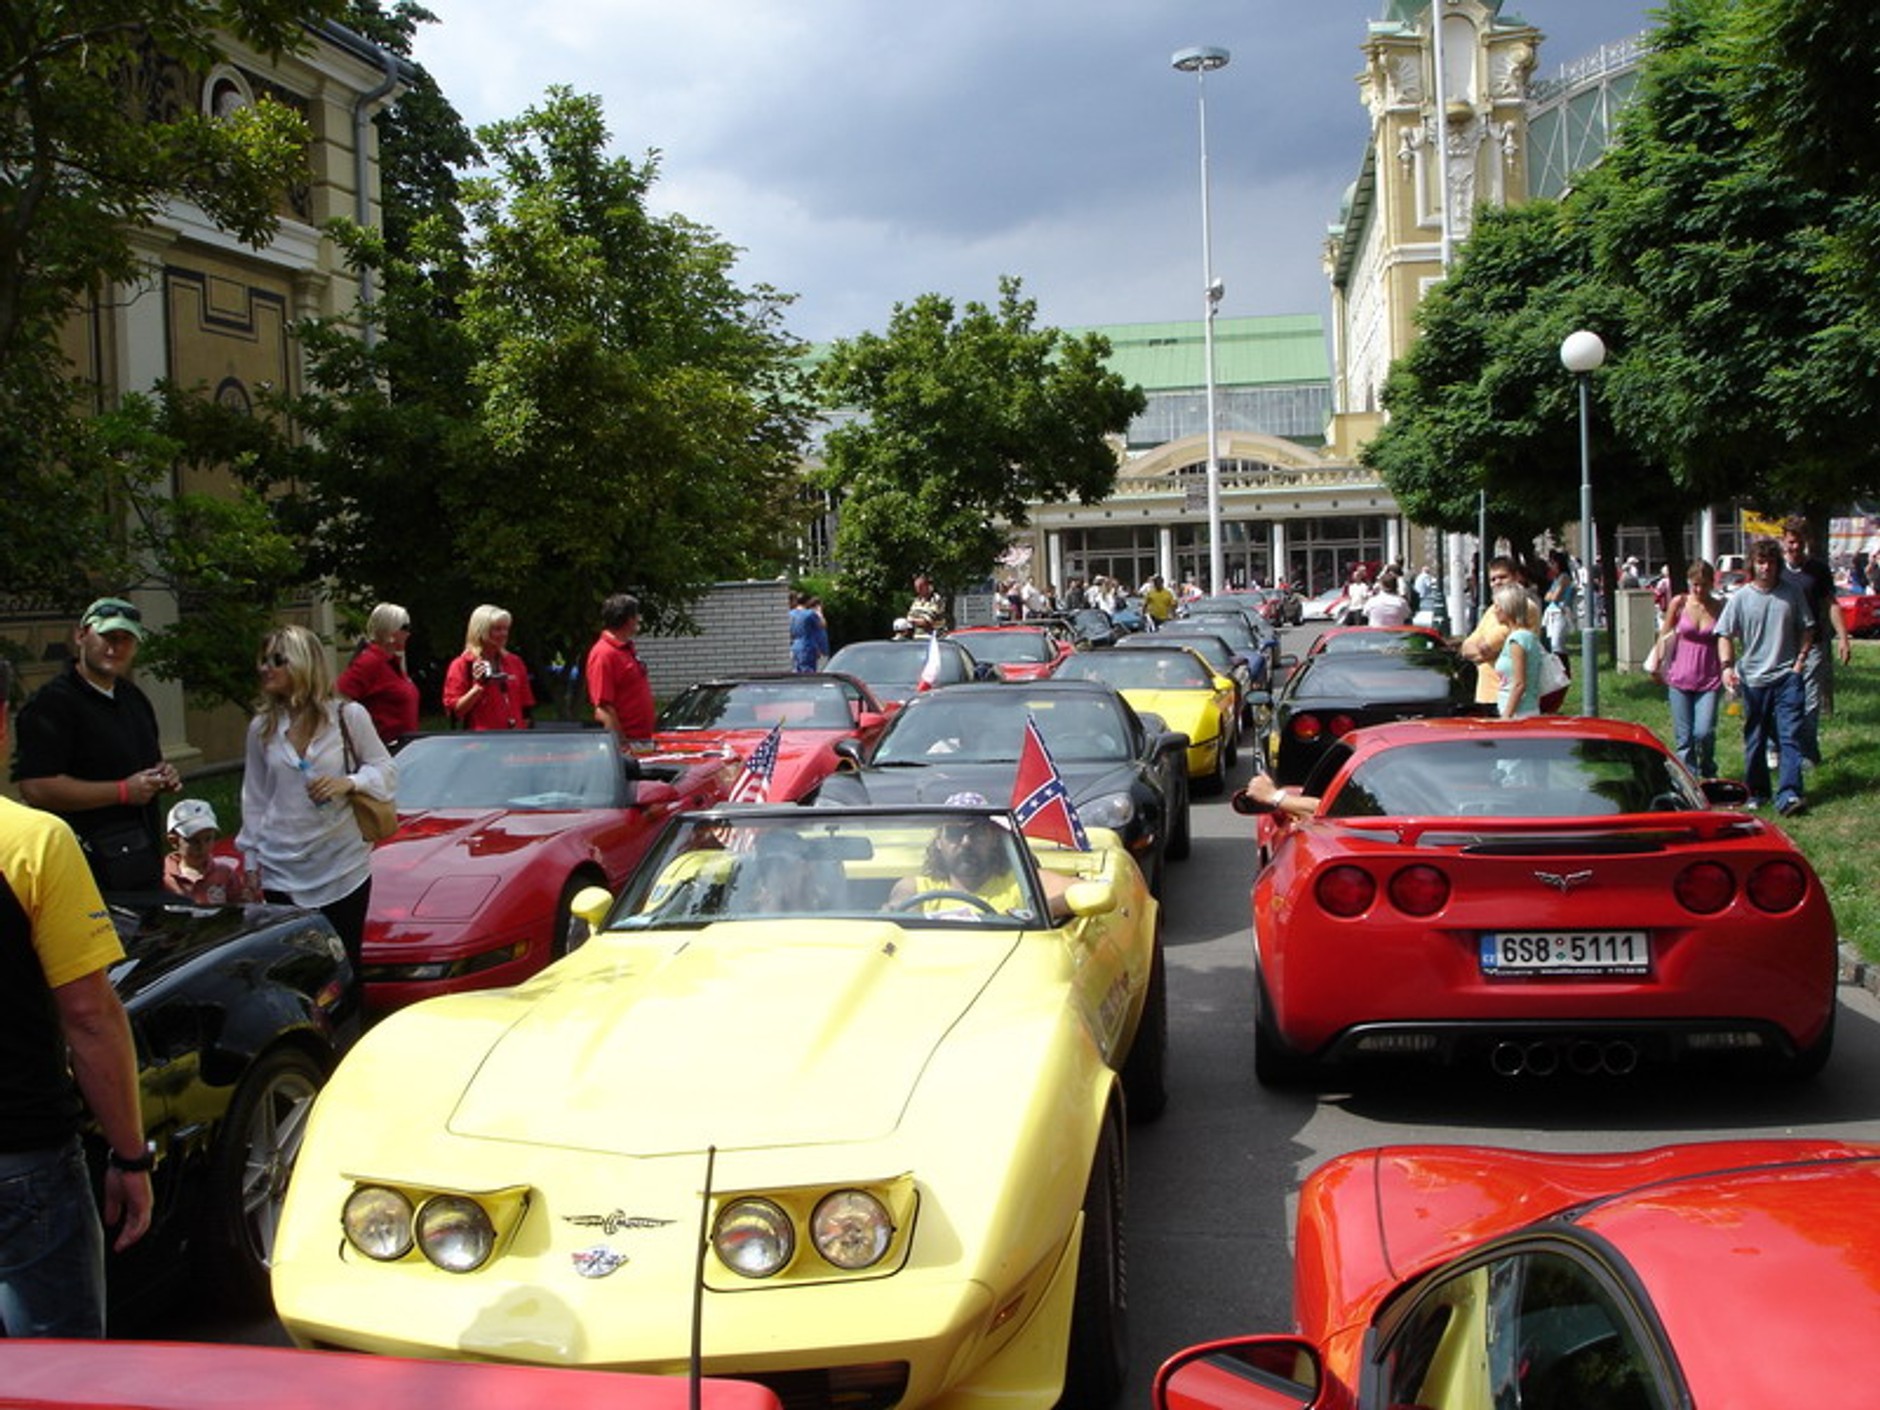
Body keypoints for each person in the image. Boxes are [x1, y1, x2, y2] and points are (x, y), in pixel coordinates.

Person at [0, 657, 154, 1337]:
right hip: (21, 1156)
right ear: (3, 725)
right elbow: (89, 1017)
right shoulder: (32, 843)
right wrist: (131, 1155)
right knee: (52, 1372)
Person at [236, 625, 395, 985]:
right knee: (294, 970)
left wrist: (348, 782)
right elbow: (255, 798)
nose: (265, 668)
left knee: (344, 966)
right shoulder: (262, 727)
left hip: (342, 866)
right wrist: (251, 860)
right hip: (281, 868)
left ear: (303, 663)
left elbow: (386, 771)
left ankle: (350, 1020)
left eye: (277, 660)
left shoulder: (348, 717)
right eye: (263, 660)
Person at [12, 597, 181, 893]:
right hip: (83, 873)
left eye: (126, 639)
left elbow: (143, 766)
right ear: (81, 636)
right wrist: (123, 791)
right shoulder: (51, 704)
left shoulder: (133, 698)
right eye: (107, 637)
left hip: (140, 867)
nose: (116, 647)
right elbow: (36, 787)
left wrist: (162, 776)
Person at [1715, 538, 1814, 815]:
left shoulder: (1792, 593)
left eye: (1770, 562)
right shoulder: (1741, 598)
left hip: (1787, 677)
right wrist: (1727, 667)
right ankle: (1757, 792)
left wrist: (1800, 662)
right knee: (1756, 739)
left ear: (1777, 564)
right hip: (1753, 681)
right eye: (1761, 562)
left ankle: (1790, 795)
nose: (1766, 567)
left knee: (1789, 736)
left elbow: (1808, 628)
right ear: (1752, 564)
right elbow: (1724, 634)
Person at [887, 795, 1074, 920]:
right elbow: (893, 921)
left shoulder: (1023, 883)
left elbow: (1082, 891)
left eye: (977, 832)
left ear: (993, 839)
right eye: (954, 833)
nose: (966, 842)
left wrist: (1034, 913)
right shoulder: (916, 889)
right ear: (939, 842)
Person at [1780, 514, 1850, 767]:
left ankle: (1808, 753)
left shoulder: (1818, 570)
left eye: (1799, 542)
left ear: (1806, 541)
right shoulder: (1776, 568)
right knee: (1785, 700)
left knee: (1810, 701)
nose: (1795, 547)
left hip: (1814, 643)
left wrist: (1843, 638)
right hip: (1782, 645)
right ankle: (1780, 747)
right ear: (1783, 541)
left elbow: (1831, 604)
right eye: (1791, 542)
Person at [1653, 560, 1725, 779]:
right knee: (1684, 739)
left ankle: (1708, 766)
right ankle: (1689, 779)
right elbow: (1664, 635)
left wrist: (1728, 667)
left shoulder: (1719, 607)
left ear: (1711, 584)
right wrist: (1657, 663)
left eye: (1704, 585)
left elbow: (1726, 639)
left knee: (1703, 731)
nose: (1699, 590)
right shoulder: (1680, 603)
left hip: (1709, 679)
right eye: (1695, 585)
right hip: (1680, 677)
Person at [1459, 557, 1541, 708]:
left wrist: (1482, 652)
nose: (1497, 582)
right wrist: (1480, 651)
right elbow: (1467, 647)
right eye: (1493, 579)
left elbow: (1488, 646)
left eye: (1503, 577)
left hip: (1509, 698)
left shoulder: (1523, 608)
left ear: (1516, 577)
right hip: (1486, 693)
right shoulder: (1493, 610)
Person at [335, 602, 419, 747]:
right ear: (390, 631)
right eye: (405, 628)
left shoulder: (392, 662)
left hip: (405, 749)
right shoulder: (370, 662)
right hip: (386, 749)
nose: (408, 633)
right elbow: (338, 697)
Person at [443, 604, 534, 730]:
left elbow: (526, 708)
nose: (504, 634)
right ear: (481, 632)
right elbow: (455, 713)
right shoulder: (462, 665)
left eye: (506, 629)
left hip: (515, 738)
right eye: (497, 629)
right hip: (481, 740)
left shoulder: (514, 662)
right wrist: (478, 687)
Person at [162, 799, 259, 905]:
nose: (202, 847)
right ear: (174, 841)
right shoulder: (162, 876)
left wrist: (246, 899)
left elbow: (237, 908)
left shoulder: (225, 874)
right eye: (194, 841)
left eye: (208, 839)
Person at [585, 593, 654, 741]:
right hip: (627, 743)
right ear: (629, 619)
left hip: (641, 741)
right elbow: (604, 708)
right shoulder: (603, 653)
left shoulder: (625, 649)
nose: (639, 619)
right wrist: (621, 746)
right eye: (636, 615)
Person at [1491, 584, 1545, 718]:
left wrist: (1506, 716)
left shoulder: (1517, 640)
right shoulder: (1528, 636)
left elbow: (1519, 684)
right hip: (1526, 709)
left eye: (1497, 606)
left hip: (1518, 713)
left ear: (1508, 608)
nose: (1494, 611)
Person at [1541, 550, 1577, 654]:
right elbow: (1547, 596)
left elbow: (1555, 597)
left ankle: (1563, 663)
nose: (1550, 566)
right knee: (1554, 644)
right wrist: (1551, 595)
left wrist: (1552, 595)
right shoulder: (1556, 579)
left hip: (1560, 612)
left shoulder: (1564, 577)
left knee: (1557, 644)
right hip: (1552, 612)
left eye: (1553, 563)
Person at [788, 593, 829, 674]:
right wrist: (819, 612)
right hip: (807, 646)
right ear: (807, 602)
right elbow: (823, 625)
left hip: (795, 646)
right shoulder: (809, 614)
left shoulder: (790, 614)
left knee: (797, 671)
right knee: (808, 673)